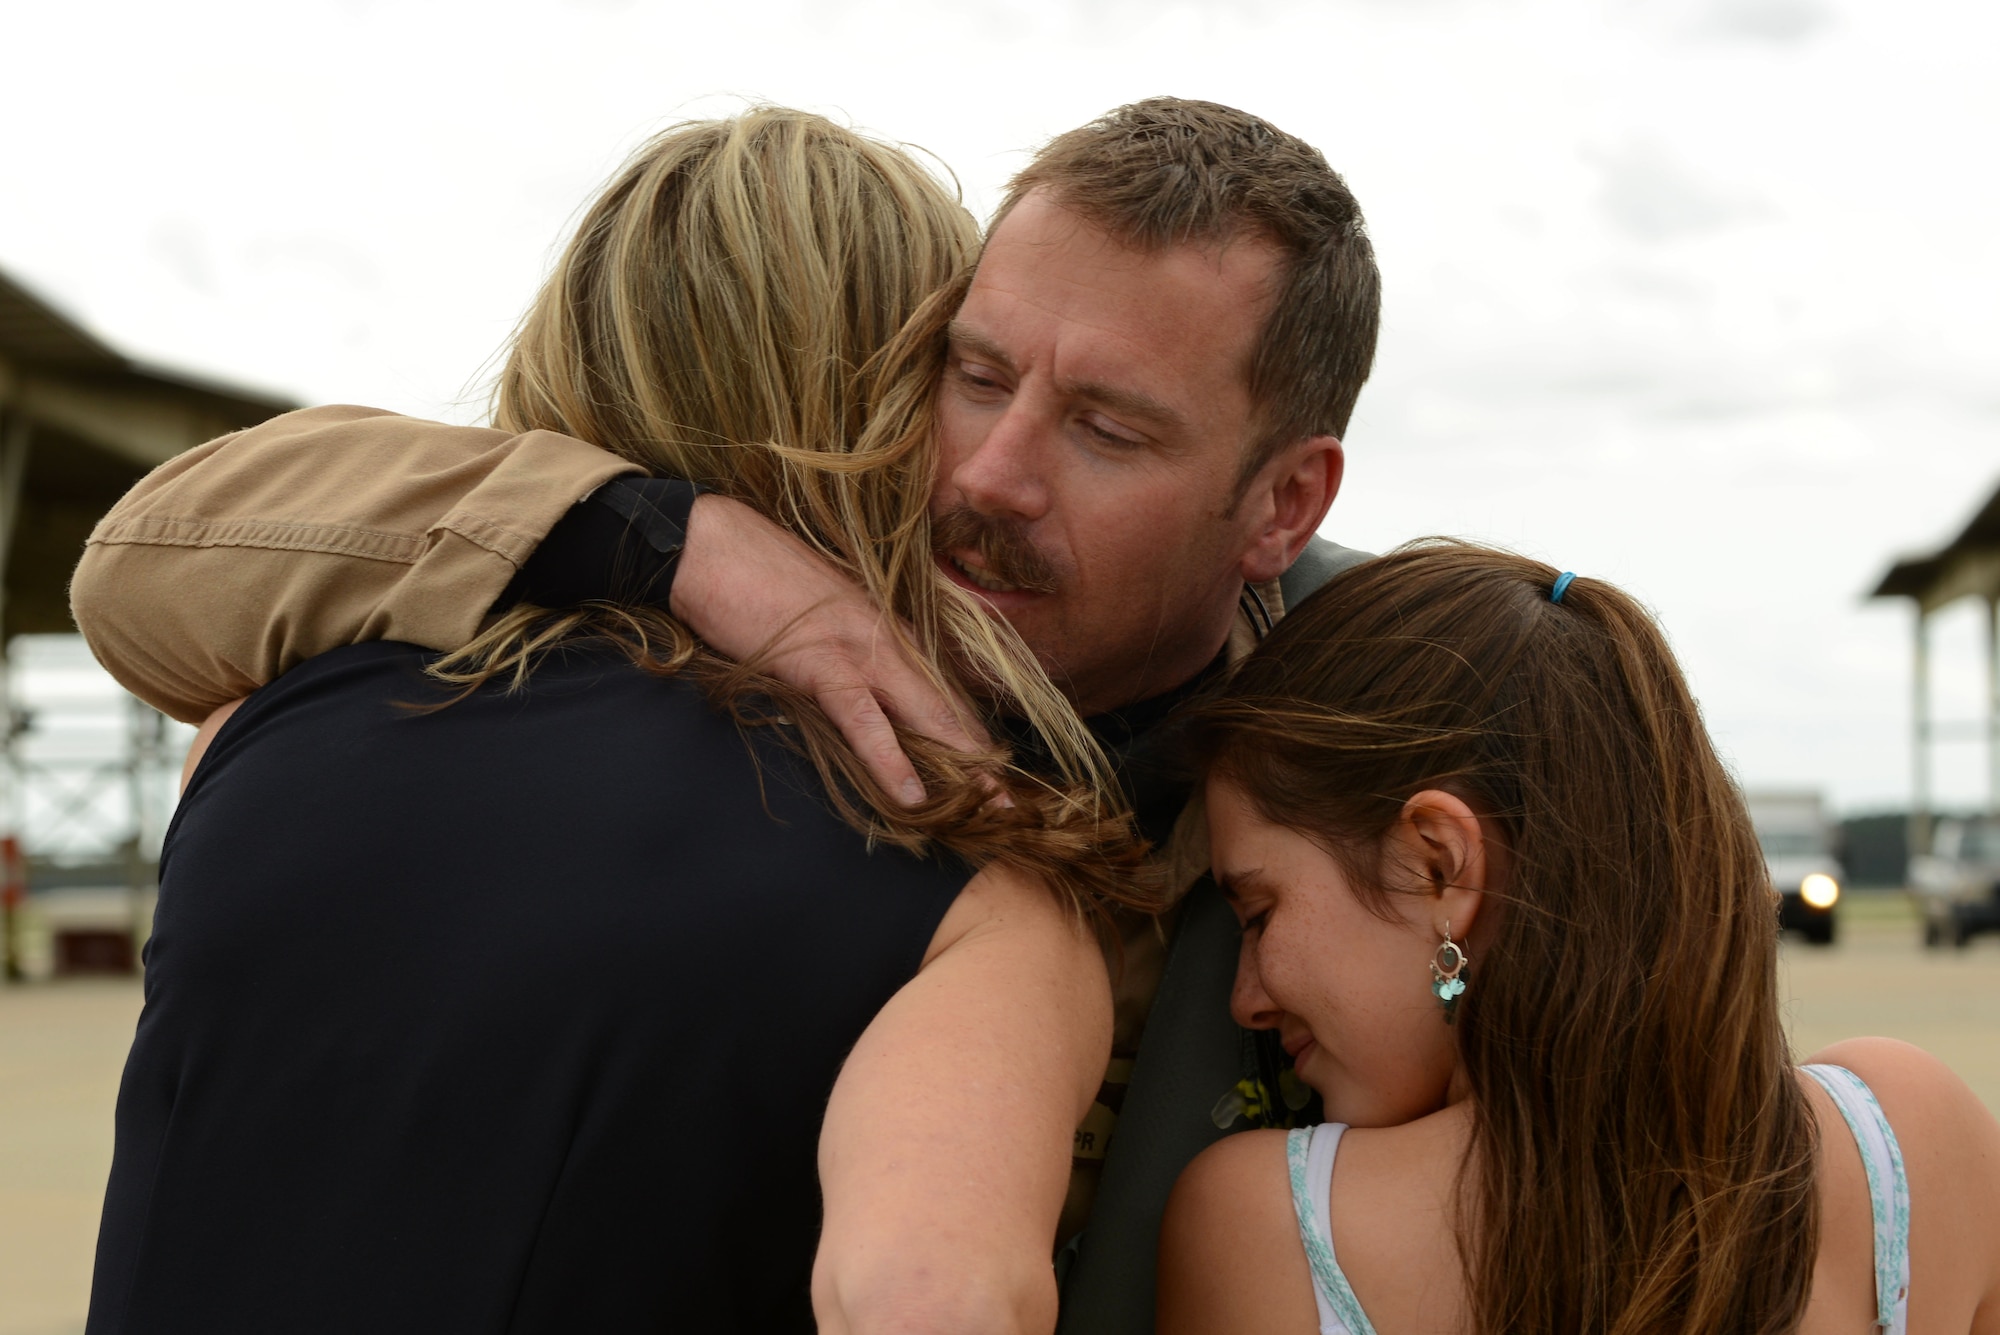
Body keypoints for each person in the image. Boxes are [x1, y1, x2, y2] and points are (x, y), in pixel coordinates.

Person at [71, 97, 1383, 1332]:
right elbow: (144, 559)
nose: (990, 474)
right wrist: (660, 533)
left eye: (1105, 428)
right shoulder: (967, 893)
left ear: (1283, 505)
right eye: (973, 375)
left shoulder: (1383, 737)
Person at [1159, 542, 2000, 1335]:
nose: (1246, 997)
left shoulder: (1271, 1225)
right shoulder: (1912, 1143)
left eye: (1259, 914)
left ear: (1440, 866)